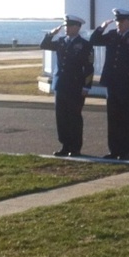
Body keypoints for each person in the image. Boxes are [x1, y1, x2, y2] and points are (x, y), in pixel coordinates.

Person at [90, 8, 129, 159]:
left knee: (127, 118)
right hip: (112, 82)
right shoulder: (111, 36)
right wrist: (101, 27)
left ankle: (125, 150)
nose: (119, 24)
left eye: (121, 21)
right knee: (113, 117)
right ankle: (114, 149)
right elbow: (93, 40)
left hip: (128, 83)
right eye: (117, 21)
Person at [40, 14, 94, 157]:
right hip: (61, 85)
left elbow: (89, 67)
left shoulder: (85, 45)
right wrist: (51, 33)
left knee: (74, 117)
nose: (66, 29)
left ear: (77, 27)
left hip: (75, 86)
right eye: (65, 26)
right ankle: (65, 145)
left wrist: (86, 86)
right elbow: (44, 45)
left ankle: (75, 147)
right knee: (61, 117)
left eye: (69, 26)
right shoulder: (61, 42)